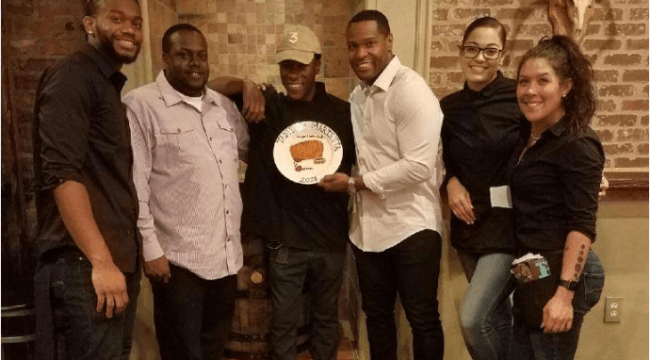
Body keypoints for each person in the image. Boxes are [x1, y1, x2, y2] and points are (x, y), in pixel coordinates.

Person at [211, 24, 355, 360]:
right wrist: (244, 83)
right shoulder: (267, 106)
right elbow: (209, 88)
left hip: (330, 240)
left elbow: (362, 164)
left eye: (301, 65)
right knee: (284, 327)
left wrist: (348, 180)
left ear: (317, 65)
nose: (293, 73)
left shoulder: (343, 112)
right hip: (285, 243)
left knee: (325, 322)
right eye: (286, 65)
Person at [319, 10, 445, 360]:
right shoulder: (359, 97)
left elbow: (418, 167)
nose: (361, 54)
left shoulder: (411, 91)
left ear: (389, 42)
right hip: (368, 229)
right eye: (353, 46)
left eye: (369, 44)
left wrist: (355, 183)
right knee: (376, 317)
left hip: (412, 226)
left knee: (422, 318)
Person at [123, 24, 249, 360]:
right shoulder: (141, 105)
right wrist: (150, 248)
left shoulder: (222, 106)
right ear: (164, 59)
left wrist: (247, 87)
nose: (195, 63)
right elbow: (136, 183)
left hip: (224, 257)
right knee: (182, 352)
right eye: (184, 55)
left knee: (213, 347)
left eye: (201, 56)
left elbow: (249, 150)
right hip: (177, 260)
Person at [31, 0, 143, 359]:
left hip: (110, 262)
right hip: (85, 266)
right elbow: (62, 174)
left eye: (136, 23)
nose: (130, 29)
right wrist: (101, 261)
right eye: (117, 19)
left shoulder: (106, 84)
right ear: (90, 24)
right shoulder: (73, 74)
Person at [507, 35, 605, 360]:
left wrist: (564, 294)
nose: (530, 90)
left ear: (565, 87)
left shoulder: (576, 143)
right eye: (523, 81)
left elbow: (582, 225)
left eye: (542, 81)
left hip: (562, 272)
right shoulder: (530, 135)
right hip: (533, 267)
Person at [439, 17, 518, 360]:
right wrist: (449, 182)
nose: (480, 57)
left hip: (508, 227)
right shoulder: (447, 107)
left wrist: (595, 172)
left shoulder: (519, 98)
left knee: (472, 318)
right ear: (461, 51)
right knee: (497, 317)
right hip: (468, 223)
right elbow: (438, 160)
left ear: (503, 55)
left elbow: (558, 139)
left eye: (490, 50)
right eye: (472, 48)